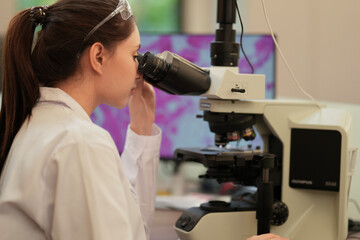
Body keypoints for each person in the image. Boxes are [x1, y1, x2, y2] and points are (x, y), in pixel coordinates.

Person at [0, 0, 161, 239]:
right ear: (98, 57)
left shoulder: (40, 124)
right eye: (134, 54)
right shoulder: (80, 143)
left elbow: (126, 222)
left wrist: (142, 127)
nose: (140, 69)